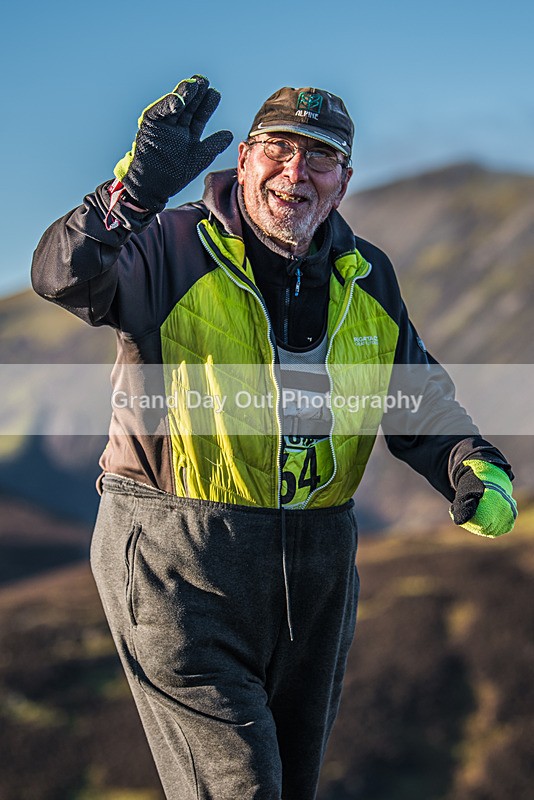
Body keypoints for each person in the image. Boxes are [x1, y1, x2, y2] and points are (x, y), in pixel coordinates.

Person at [31, 75, 517, 800]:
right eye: (279, 149)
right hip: (177, 565)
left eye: (319, 158)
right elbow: (60, 275)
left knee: (287, 787)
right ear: (246, 157)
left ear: (344, 182)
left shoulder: (367, 275)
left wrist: (473, 465)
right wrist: (131, 196)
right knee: (240, 789)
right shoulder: (168, 245)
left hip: (315, 574)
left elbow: (416, 396)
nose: (296, 173)